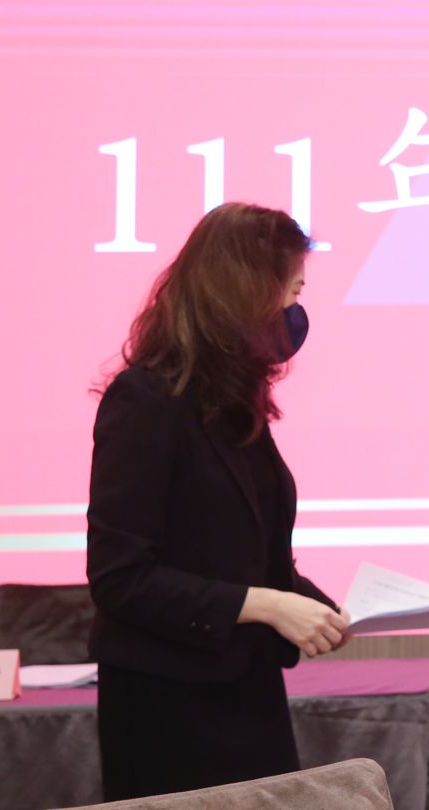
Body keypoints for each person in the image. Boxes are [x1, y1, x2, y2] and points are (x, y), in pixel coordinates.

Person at [86, 202, 349, 800]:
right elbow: (121, 577)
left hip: (247, 691)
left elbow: (240, 554)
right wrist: (267, 605)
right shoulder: (145, 401)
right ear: (245, 293)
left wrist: (316, 608)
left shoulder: (233, 403)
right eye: (291, 291)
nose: (295, 312)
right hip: (167, 706)